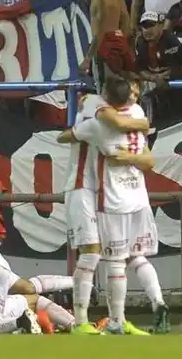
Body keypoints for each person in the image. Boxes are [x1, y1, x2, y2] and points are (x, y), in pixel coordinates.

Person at [69, 76, 167, 335]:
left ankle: (117, 320)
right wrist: (140, 128)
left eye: (137, 92)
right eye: (131, 92)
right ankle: (83, 321)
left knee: (122, 258)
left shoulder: (103, 118)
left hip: (110, 195)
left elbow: (64, 136)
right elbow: (146, 155)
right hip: (86, 189)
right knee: (100, 255)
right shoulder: (115, 111)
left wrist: (123, 153)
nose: (135, 96)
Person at [55, 92, 150, 335]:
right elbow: (62, 136)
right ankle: (80, 322)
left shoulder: (110, 120)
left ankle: (118, 321)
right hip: (81, 188)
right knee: (91, 253)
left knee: (116, 257)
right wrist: (79, 132)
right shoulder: (94, 116)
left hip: (105, 192)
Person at [78, 0, 133, 91]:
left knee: (105, 93)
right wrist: (122, 45)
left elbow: (99, 32)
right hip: (118, 46)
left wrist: (88, 59)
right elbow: (126, 21)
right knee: (119, 91)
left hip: (103, 50)